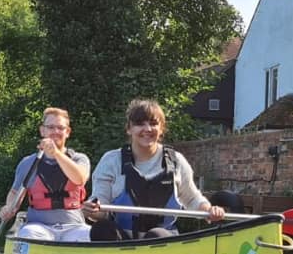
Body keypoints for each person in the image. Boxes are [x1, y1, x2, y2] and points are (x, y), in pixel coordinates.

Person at [84, 99, 224, 240]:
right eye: (140, 124)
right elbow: (101, 204)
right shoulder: (111, 160)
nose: (147, 129)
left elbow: (193, 199)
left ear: (161, 128)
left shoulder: (176, 161)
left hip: (163, 239)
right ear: (129, 129)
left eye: (153, 123)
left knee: (156, 235)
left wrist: (209, 210)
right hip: (121, 240)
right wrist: (92, 210)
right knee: (101, 229)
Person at [0, 107, 92, 241]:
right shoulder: (28, 163)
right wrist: (9, 207)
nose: (55, 132)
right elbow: (15, 192)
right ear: (42, 130)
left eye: (60, 128)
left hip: (74, 226)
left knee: (89, 235)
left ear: (68, 132)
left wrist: (56, 153)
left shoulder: (80, 159)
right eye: (50, 127)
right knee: (29, 234)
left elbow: (79, 179)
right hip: (38, 227)